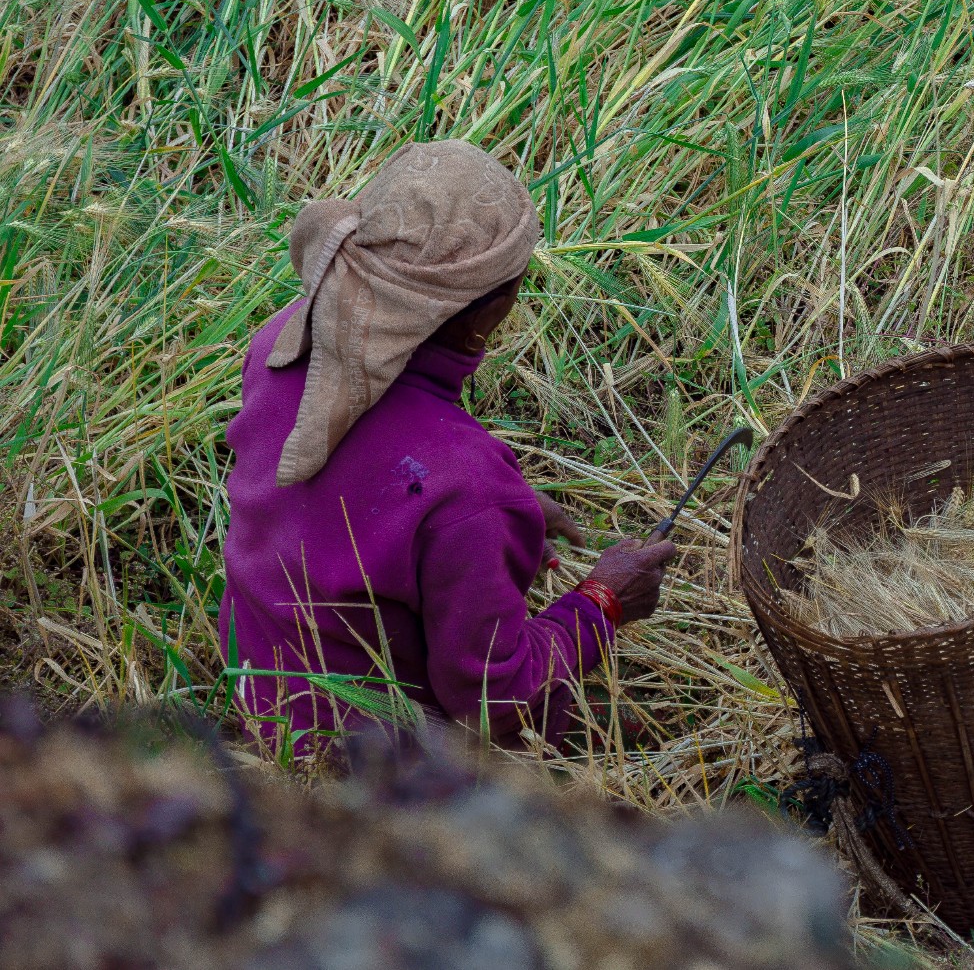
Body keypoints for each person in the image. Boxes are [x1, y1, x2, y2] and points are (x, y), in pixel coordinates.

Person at [216, 139, 676, 761]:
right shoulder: (465, 486)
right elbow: (491, 700)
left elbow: (358, 494)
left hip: (258, 673)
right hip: (356, 755)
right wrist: (603, 601)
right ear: (483, 313)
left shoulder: (283, 338)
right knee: (614, 733)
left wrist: (493, 522)